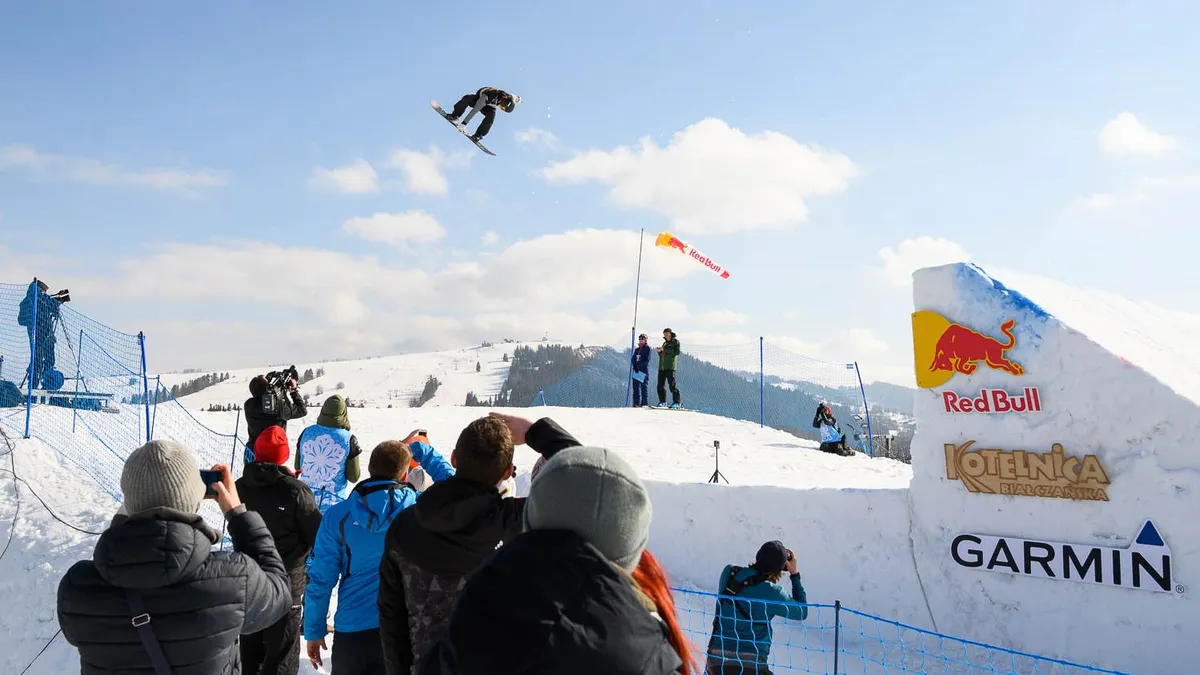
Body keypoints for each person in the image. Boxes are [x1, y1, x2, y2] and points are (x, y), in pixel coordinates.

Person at [418, 445, 687, 675]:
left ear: (531, 515)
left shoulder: (473, 612)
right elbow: (594, 489)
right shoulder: (650, 655)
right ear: (633, 546)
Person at [57, 441, 292, 674]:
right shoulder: (233, 579)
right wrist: (238, 514)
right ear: (194, 497)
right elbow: (279, 594)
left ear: (128, 500)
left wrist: (128, 517)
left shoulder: (78, 587)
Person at [378, 413, 581, 675]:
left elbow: (391, 619)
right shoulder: (516, 522)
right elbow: (587, 485)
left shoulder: (404, 526)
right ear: (508, 472)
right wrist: (534, 431)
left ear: (453, 459)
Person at [304, 436, 455, 675]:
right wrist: (420, 450)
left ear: (370, 469)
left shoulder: (337, 516)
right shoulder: (421, 510)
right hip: (404, 629)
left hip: (352, 633)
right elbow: (454, 489)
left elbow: (321, 578)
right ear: (405, 475)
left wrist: (313, 629)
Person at [236, 426, 323, 675]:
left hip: (249, 579)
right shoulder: (295, 490)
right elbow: (317, 534)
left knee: (250, 652)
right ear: (283, 456)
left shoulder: (240, 486)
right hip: (287, 583)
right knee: (282, 654)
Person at [705, 541, 809, 674]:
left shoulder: (729, 573)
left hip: (716, 661)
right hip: (751, 665)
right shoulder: (772, 592)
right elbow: (802, 612)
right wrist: (794, 574)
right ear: (779, 569)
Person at [296, 394, 364, 513]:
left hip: (305, 502)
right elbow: (354, 477)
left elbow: (298, 467)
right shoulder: (349, 439)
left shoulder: (306, 432)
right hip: (334, 507)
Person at [244, 370, 308, 463]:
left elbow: (261, 393)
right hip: (272, 455)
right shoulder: (280, 408)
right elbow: (302, 410)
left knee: (250, 476)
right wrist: (293, 391)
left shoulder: (249, 405)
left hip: (252, 452)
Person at [17, 278, 64, 390]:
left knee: (43, 360)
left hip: (42, 336)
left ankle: (39, 386)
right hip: (39, 336)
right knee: (40, 361)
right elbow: (21, 320)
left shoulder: (31, 301)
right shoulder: (35, 300)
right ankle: (39, 388)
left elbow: (21, 320)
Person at [442, 86, 521, 142]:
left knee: (491, 117)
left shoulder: (503, 99)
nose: (501, 106)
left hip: (489, 106)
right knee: (467, 98)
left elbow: (513, 98)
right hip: (480, 99)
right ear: (504, 98)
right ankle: (454, 116)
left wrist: (516, 99)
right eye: (503, 105)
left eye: (503, 108)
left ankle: (478, 135)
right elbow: (475, 110)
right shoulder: (492, 94)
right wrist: (464, 124)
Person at [656, 328, 682, 409]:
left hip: (670, 367)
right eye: (664, 334)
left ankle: (677, 402)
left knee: (672, 385)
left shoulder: (675, 342)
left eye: (667, 334)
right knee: (660, 385)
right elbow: (662, 356)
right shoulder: (664, 343)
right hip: (662, 367)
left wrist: (665, 350)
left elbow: (677, 352)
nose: (666, 336)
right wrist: (659, 352)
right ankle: (663, 402)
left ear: (670, 333)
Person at [631, 333, 652, 407]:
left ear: (645, 340)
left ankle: (644, 403)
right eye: (640, 339)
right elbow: (633, 359)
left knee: (643, 388)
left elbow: (646, 360)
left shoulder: (647, 349)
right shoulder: (637, 350)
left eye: (643, 339)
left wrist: (639, 366)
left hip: (643, 371)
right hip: (636, 371)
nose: (641, 341)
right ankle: (636, 403)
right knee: (635, 387)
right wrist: (635, 366)